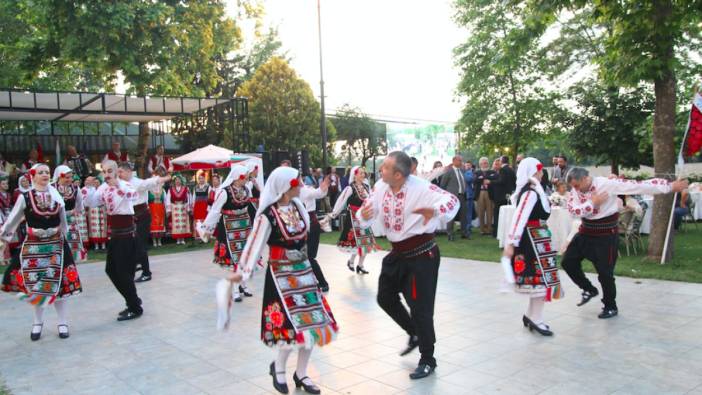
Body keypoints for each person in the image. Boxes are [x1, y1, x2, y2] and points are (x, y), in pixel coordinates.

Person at [227, 166, 338, 394]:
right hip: (281, 274)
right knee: (291, 326)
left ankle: (302, 373)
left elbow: (306, 229)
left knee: (312, 323)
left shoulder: (298, 207)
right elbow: (255, 244)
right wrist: (243, 271)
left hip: (304, 272)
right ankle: (278, 368)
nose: (300, 186)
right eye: (297, 183)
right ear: (287, 187)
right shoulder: (268, 215)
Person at [357, 151, 459, 379]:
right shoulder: (380, 187)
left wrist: (435, 211)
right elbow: (364, 213)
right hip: (398, 254)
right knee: (384, 297)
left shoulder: (421, 188)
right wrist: (363, 215)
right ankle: (414, 333)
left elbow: (452, 200)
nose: (380, 170)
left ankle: (428, 359)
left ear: (398, 174)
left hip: (422, 256)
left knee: (421, 308)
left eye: (384, 167)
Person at [562, 168, 687, 319]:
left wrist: (670, 186)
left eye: (576, 185)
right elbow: (572, 211)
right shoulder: (575, 191)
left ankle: (610, 306)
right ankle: (588, 289)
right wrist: (592, 203)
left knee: (605, 273)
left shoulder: (607, 184)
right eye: (573, 187)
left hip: (605, 235)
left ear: (585, 179)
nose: (575, 189)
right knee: (568, 262)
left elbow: (638, 185)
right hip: (586, 232)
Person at [1, 163, 83, 340]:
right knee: (37, 286)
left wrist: (64, 233)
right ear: (33, 176)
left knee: (59, 286)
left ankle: (62, 322)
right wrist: (3, 240)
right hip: (34, 247)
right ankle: (37, 322)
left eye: (47, 172)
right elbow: (12, 220)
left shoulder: (57, 196)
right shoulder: (25, 197)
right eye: (41, 172)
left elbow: (63, 221)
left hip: (56, 245)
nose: (45, 174)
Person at [501, 158, 564, 336]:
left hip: (537, 238)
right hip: (531, 241)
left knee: (540, 280)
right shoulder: (530, 193)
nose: (542, 173)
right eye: (539, 170)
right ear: (532, 172)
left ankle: (532, 315)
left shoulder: (534, 190)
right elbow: (519, 217)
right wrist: (511, 243)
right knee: (539, 280)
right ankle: (536, 318)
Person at [84, 161, 143, 321]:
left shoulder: (125, 184)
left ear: (117, 171)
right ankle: (133, 301)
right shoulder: (104, 187)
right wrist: (89, 188)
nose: (107, 174)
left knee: (124, 273)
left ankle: (134, 306)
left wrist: (117, 184)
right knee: (111, 270)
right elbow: (92, 202)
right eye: (104, 171)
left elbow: (133, 196)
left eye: (110, 170)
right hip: (115, 235)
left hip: (127, 234)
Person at [199, 164, 256, 307]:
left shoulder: (246, 189)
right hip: (229, 228)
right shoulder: (225, 192)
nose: (246, 179)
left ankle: (243, 285)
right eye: (244, 177)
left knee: (243, 258)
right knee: (234, 259)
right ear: (237, 178)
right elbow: (215, 211)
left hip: (244, 226)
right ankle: (235, 289)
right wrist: (207, 227)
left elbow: (250, 207)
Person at [118, 162, 169, 283]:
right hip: (131, 216)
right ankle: (137, 263)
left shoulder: (137, 182)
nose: (119, 174)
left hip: (142, 216)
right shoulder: (121, 183)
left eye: (121, 172)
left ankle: (147, 273)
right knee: (132, 243)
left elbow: (150, 182)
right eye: (118, 172)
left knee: (140, 245)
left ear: (129, 171)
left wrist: (164, 177)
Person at [329, 166, 380, 274]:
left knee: (365, 243)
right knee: (358, 243)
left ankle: (360, 265)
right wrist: (334, 214)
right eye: (361, 173)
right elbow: (341, 201)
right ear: (355, 175)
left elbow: (371, 200)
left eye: (363, 173)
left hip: (364, 218)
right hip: (354, 217)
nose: (363, 175)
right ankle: (352, 261)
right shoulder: (350, 188)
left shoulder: (366, 187)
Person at [300, 175, 331, 292]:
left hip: (310, 225)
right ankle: (311, 282)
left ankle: (322, 282)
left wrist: (323, 187)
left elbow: (317, 194)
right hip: (301, 225)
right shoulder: (289, 193)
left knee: (309, 257)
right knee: (303, 257)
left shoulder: (304, 190)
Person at [53, 165, 87, 263]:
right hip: (56, 220)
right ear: (59, 176)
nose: (70, 180)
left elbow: (80, 206)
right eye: (67, 177)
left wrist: (73, 211)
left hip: (70, 219)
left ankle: (73, 259)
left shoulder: (75, 189)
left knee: (72, 239)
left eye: (70, 177)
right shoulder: (52, 188)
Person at [440, 155, 469, 241]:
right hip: (452, 197)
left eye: (461, 160)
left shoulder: (462, 171)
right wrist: (447, 196)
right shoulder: (449, 172)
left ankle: (464, 233)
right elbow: (443, 185)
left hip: (462, 195)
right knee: (451, 215)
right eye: (459, 160)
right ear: (454, 161)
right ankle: (450, 234)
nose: (461, 162)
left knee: (464, 215)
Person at [491, 156, 517, 238]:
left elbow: (502, 181)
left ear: (502, 161)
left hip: (500, 195)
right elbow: (514, 182)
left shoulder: (502, 170)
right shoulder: (511, 170)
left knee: (497, 213)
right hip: (509, 195)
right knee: (507, 213)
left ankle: (496, 232)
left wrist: (491, 182)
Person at [473, 157, 498, 235]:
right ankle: (482, 229)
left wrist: (483, 178)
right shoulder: (476, 172)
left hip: (489, 193)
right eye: (483, 163)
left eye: (486, 163)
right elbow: (475, 180)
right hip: (480, 193)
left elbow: (495, 177)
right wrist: (484, 179)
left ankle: (489, 229)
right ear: (480, 164)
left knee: (490, 211)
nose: (485, 164)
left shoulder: (492, 171)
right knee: (480, 212)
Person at [166, 173, 191, 245]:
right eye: (176, 180)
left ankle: (182, 239)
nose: (177, 181)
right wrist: (168, 210)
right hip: (175, 207)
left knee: (183, 223)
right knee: (176, 223)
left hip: (183, 207)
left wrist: (188, 208)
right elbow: (168, 199)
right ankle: (178, 239)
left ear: (181, 181)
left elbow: (189, 198)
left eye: (179, 180)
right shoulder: (170, 189)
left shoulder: (186, 188)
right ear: (174, 181)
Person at [87, 175, 108, 250]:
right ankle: (96, 245)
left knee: (102, 226)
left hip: (102, 208)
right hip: (93, 210)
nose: (96, 183)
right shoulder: (90, 190)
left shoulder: (103, 189)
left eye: (97, 182)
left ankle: (103, 245)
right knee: (94, 227)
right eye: (95, 182)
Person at [191, 172, 212, 241]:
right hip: (197, 206)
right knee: (197, 220)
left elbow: (210, 198)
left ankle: (206, 235)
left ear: (204, 179)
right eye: (199, 179)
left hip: (205, 205)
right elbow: (194, 197)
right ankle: (197, 235)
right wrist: (193, 206)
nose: (201, 180)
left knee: (205, 220)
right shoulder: (195, 187)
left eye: (202, 178)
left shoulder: (208, 187)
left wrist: (209, 207)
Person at [148, 174, 167, 247]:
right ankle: (154, 241)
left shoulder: (162, 190)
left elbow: (165, 201)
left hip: (160, 209)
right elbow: (146, 200)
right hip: (152, 210)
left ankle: (159, 240)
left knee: (160, 224)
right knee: (153, 225)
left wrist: (166, 209)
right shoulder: (149, 190)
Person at [463, 160, 475, 239]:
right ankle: (466, 227)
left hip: (469, 195)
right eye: (466, 165)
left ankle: (468, 227)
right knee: (466, 212)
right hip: (466, 195)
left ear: (471, 166)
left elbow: (469, 179)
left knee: (469, 213)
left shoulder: (469, 173)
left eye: (468, 165)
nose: (467, 166)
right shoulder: (468, 172)